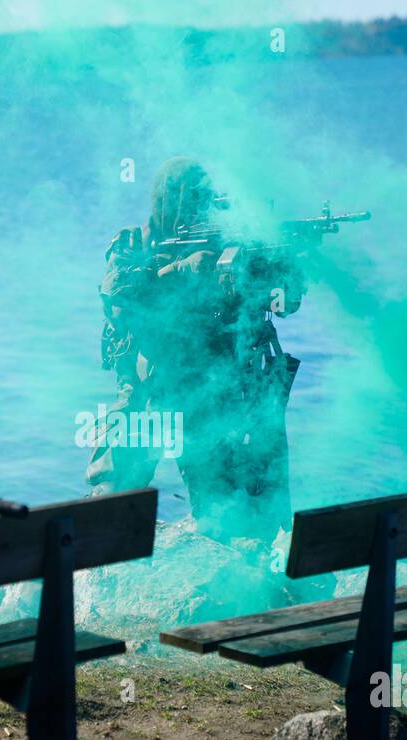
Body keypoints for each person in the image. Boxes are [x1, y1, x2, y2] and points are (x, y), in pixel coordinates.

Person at [87, 156, 304, 543]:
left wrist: (280, 274)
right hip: (150, 394)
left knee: (235, 525)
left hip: (211, 402)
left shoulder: (230, 245)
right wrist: (182, 270)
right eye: (189, 198)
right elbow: (118, 301)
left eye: (203, 198)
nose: (198, 208)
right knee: (108, 510)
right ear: (165, 200)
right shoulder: (132, 244)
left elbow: (280, 304)